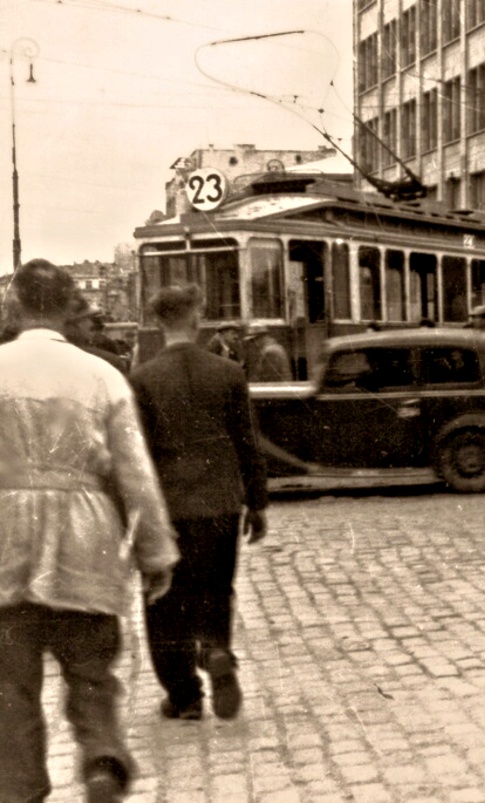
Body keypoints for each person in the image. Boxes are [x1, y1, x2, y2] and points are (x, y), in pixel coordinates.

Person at [0, 259, 178, 803]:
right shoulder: (101, 375)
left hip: (4, 539)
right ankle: (102, 758)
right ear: (68, 305)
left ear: (16, 306)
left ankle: (19, 789)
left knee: (9, 687)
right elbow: (134, 474)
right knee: (92, 671)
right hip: (85, 537)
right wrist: (156, 554)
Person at [129, 284, 269, 723]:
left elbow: (140, 456)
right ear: (197, 319)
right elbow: (248, 443)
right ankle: (215, 649)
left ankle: (185, 696)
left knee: (164, 601)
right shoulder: (228, 372)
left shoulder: (143, 379)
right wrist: (257, 503)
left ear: (158, 323)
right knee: (215, 590)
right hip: (221, 504)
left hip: (168, 508)